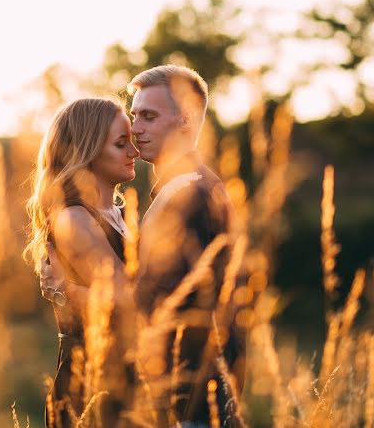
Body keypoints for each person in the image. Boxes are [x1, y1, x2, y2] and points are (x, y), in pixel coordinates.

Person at [41, 65, 247, 428]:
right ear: (88, 151)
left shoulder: (189, 196)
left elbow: (140, 307)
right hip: (102, 390)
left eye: (148, 117)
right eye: (132, 120)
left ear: (185, 121)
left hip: (187, 400)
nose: (136, 133)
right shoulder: (176, 194)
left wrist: (64, 290)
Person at [24, 97, 140, 428]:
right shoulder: (75, 219)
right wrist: (68, 293)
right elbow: (128, 303)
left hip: (124, 380)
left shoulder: (117, 214)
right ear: (86, 151)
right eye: (121, 143)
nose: (134, 152)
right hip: (90, 387)